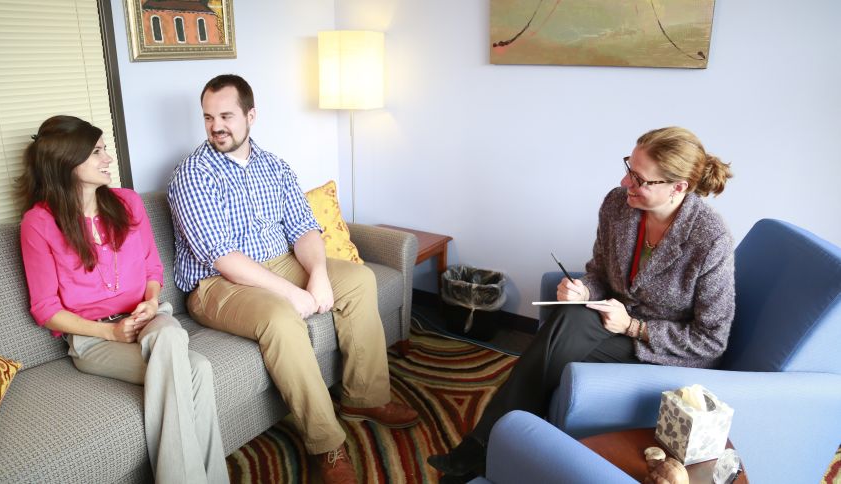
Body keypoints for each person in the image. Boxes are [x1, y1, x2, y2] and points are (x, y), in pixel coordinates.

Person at [428, 126, 736, 481]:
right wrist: (584, 291)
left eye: (639, 179)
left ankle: (484, 448)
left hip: (664, 348)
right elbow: (599, 274)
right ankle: (496, 449)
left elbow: (711, 339)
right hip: (612, 321)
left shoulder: (710, 239)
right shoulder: (618, 206)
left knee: (550, 353)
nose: (625, 182)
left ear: (678, 187)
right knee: (568, 319)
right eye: (628, 168)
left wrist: (636, 327)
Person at [167, 74, 419, 484]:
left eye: (226, 115)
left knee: (357, 279)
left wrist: (318, 274)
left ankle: (365, 397)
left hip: (279, 261)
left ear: (251, 115)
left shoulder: (275, 166)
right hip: (218, 284)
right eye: (208, 117)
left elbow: (304, 228)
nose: (217, 126)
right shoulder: (192, 175)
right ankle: (327, 444)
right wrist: (291, 293)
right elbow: (224, 258)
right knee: (282, 318)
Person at [17, 116, 228, 484]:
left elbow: (152, 268)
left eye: (105, 149)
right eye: (97, 152)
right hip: (95, 339)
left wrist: (150, 300)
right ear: (69, 161)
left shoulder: (127, 203)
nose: (108, 158)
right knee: (197, 369)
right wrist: (113, 333)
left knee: (168, 335)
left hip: (150, 318)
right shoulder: (39, 224)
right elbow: (46, 310)